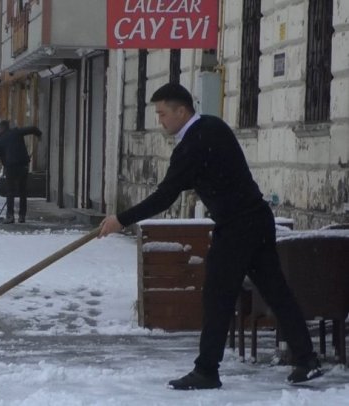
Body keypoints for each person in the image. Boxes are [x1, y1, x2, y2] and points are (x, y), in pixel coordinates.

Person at [97, 83, 321, 390]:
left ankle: (207, 370)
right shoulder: (213, 127)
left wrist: (120, 220)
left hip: (237, 227)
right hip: (256, 219)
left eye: (162, 114)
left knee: (217, 297)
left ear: (181, 111)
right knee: (275, 290)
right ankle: (306, 359)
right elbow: (204, 177)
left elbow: (165, 196)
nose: (160, 121)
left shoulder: (191, 145)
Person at [0, 120, 41, 224]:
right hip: (23, 166)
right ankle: (22, 216)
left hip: (10, 167)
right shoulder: (16, 132)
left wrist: (6, 167)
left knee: (10, 192)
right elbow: (32, 129)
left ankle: (10, 216)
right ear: (8, 127)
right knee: (22, 191)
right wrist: (39, 135)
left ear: (0, 129)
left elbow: (2, 158)